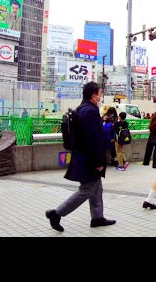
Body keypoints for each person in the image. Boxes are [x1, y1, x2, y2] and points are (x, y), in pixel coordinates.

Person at [45, 81, 116, 232]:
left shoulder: (82, 108)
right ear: (93, 95)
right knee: (87, 189)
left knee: (96, 187)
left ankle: (97, 218)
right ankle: (56, 213)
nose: (101, 95)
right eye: (100, 93)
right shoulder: (90, 111)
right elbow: (93, 139)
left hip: (82, 155)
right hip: (88, 158)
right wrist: (98, 161)